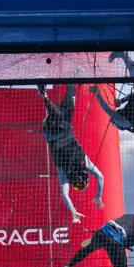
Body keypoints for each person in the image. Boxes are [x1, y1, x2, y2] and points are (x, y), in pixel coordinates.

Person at [37, 83, 105, 222]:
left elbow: (65, 194)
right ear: (83, 177)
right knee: (71, 92)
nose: (75, 182)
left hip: (51, 130)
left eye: (75, 184)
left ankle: (43, 94)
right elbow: (100, 176)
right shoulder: (84, 163)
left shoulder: (64, 173)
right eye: (79, 183)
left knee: (58, 116)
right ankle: (71, 75)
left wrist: (73, 212)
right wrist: (99, 196)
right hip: (65, 126)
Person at [89, 51, 134, 134]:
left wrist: (121, 101)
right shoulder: (120, 121)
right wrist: (98, 94)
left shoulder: (131, 119)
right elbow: (107, 109)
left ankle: (122, 54)